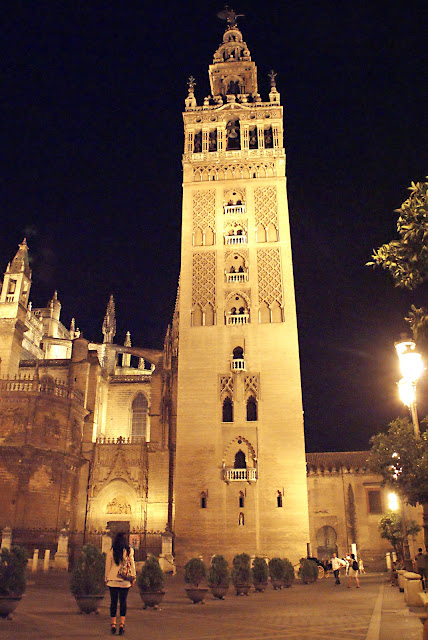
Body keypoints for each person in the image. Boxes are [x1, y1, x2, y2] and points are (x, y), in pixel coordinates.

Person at [105, 532, 136, 635]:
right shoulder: (129, 550)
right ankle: (122, 624)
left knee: (113, 602)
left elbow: (108, 566)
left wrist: (106, 578)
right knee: (123, 602)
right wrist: (133, 577)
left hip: (113, 579)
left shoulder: (111, 550)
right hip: (124, 580)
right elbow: (132, 565)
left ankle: (113, 624)